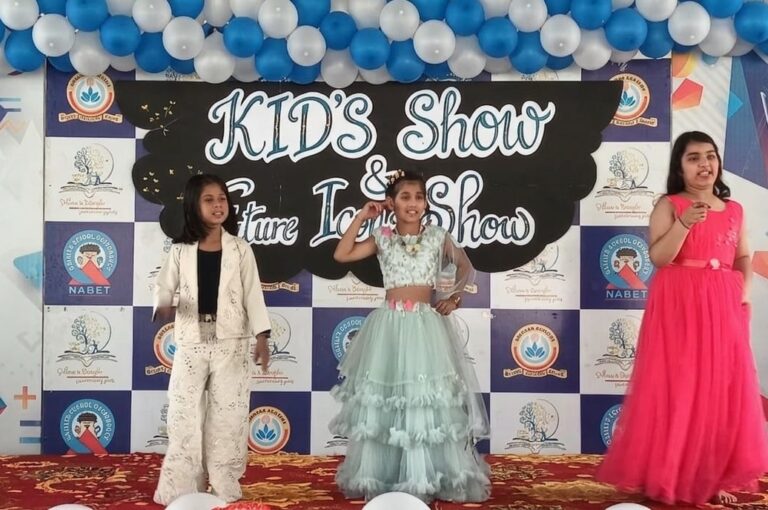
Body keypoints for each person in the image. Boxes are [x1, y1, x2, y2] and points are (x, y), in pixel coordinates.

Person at [597, 132, 768, 505]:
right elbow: (659, 258)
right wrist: (685, 223)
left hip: (723, 307)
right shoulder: (669, 205)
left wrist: (742, 292)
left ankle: (711, 478)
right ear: (679, 166)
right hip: (680, 306)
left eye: (710, 156)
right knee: (680, 389)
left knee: (719, 393)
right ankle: (669, 474)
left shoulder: (734, 209)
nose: (704, 164)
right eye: (694, 158)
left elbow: (742, 256)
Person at [329, 169, 491, 503]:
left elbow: (465, 267)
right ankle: (389, 474)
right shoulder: (382, 237)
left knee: (423, 400)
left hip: (424, 326)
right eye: (405, 197)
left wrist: (454, 297)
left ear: (427, 203)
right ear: (391, 203)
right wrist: (362, 217)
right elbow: (342, 254)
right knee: (388, 401)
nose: (413, 203)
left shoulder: (437, 236)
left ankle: (426, 475)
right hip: (389, 327)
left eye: (419, 197)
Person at [152, 173, 272, 505]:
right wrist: (163, 303)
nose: (218, 205)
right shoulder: (180, 251)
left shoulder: (241, 249)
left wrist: (262, 336)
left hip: (231, 342)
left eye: (222, 199)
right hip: (191, 342)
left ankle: (224, 489)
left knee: (228, 418)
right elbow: (164, 285)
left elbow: (253, 295)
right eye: (209, 200)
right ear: (194, 205)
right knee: (184, 415)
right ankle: (180, 490)